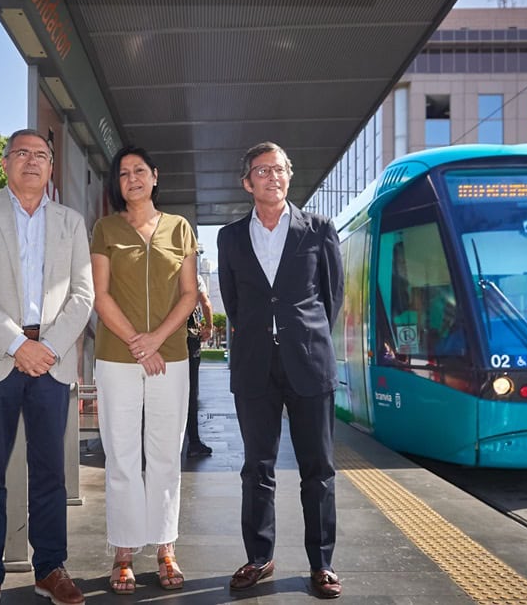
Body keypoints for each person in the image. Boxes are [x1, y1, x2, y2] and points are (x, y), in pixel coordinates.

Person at [0, 129, 93, 605]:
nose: (32, 162)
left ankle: (50, 567)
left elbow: (83, 295)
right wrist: (17, 344)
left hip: (50, 360)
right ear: (6, 162)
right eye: (23, 154)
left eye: (41, 156)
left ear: (52, 168)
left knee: (50, 469)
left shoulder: (71, 222)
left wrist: (45, 346)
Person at [217, 141, 344, 600]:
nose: (273, 176)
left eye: (280, 169)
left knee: (320, 469)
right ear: (247, 182)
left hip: (309, 362)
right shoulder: (229, 237)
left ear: (290, 176)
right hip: (254, 366)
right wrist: (262, 336)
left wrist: (303, 339)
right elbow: (233, 303)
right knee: (257, 468)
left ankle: (322, 563)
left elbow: (330, 299)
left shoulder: (319, 229)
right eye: (262, 170)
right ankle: (259, 557)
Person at [90, 145, 199, 594]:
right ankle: (123, 551)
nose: (131, 178)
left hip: (169, 356)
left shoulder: (180, 228)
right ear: (117, 184)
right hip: (117, 356)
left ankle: (165, 546)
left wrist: (156, 340)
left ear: (155, 176)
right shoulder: (105, 229)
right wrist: (139, 343)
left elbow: (189, 293)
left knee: (164, 454)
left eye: (139, 171)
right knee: (120, 454)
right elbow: (100, 295)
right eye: (123, 173)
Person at [186, 274, 214, 457]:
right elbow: (205, 303)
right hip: (189, 341)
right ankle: (193, 442)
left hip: (162, 340)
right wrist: (209, 327)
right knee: (190, 393)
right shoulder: (193, 277)